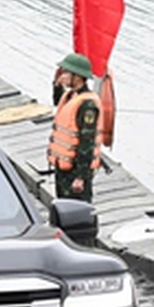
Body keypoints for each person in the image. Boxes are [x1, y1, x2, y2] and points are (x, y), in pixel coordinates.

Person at [48, 52, 102, 202]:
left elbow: (87, 143)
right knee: (63, 206)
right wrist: (56, 85)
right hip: (63, 168)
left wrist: (81, 177)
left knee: (78, 208)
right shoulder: (71, 96)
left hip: (75, 171)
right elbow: (58, 102)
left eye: (66, 72)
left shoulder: (87, 105)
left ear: (77, 77)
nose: (62, 75)